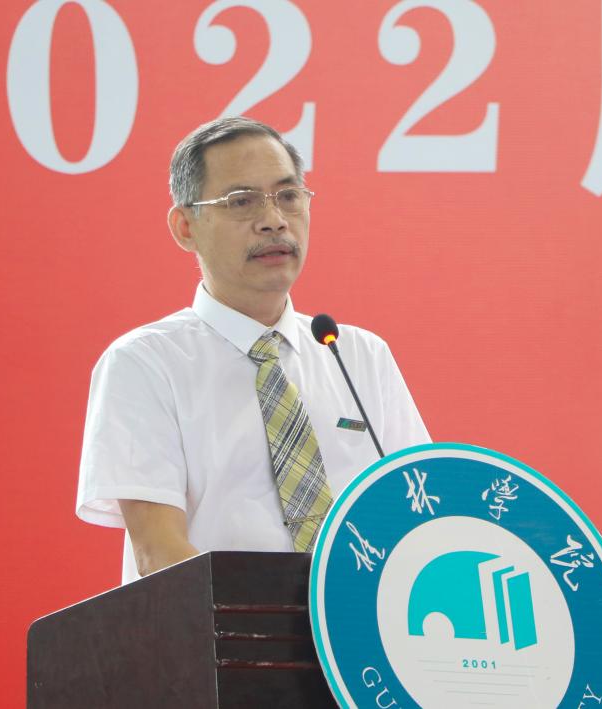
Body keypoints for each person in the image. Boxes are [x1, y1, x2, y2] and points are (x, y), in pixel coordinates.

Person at [76, 117, 430, 584]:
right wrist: (278, 615)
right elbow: (157, 553)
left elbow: (417, 518)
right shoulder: (145, 363)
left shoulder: (359, 356)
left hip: (360, 623)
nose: (274, 220)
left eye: (288, 196)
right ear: (185, 227)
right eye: (241, 201)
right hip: (219, 626)